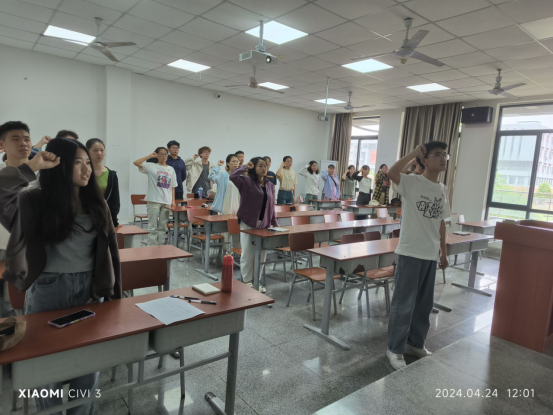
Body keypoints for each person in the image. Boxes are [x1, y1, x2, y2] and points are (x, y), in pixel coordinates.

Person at [0, 139, 122, 414]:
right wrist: (32, 166)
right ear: (59, 165)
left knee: (87, 370)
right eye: (77, 162)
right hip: (49, 290)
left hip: (91, 291)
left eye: (87, 162)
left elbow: (111, 254)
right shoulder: (34, 200)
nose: (86, 169)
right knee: (48, 372)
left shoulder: (96, 202)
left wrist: (115, 297)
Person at [386, 141, 451, 371]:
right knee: (404, 303)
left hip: (430, 253)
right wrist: (413, 154)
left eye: (445, 155)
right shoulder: (412, 182)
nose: (443, 158)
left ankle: (415, 344)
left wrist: (443, 250)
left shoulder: (442, 189)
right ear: (424, 160)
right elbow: (391, 173)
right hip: (411, 251)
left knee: (424, 304)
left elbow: (441, 222)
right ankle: (395, 349)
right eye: (437, 154)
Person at [0, 121, 40, 318]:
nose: (23, 143)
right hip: (3, 246)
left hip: (31, 247)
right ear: (2, 145)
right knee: (6, 304)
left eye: (27, 139)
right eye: (15, 139)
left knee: (26, 301)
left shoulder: (43, 177)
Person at [230, 157, 278, 293]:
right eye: (260, 166)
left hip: (265, 224)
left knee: (262, 254)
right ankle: (247, 281)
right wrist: (245, 166)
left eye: (265, 166)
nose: (264, 169)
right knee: (248, 253)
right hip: (248, 221)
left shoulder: (269, 185)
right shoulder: (246, 181)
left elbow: (271, 206)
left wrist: (275, 223)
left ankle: (256, 280)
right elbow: (233, 176)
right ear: (254, 168)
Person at [134, 148, 177, 246]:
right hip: (154, 200)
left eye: (166, 154)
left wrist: (173, 200)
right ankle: (152, 247)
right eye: (161, 154)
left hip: (166, 201)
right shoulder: (151, 166)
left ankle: (161, 246)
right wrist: (148, 156)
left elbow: (173, 186)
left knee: (163, 226)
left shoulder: (171, 169)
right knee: (152, 226)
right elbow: (136, 162)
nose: (164, 156)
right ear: (156, 155)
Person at [86, 138, 120, 227]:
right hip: (85, 217)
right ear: (87, 152)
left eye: (102, 150)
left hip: (104, 218)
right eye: (95, 150)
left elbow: (115, 201)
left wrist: (113, 221)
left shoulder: (111, 175)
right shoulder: (83, 172)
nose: (99, 153)